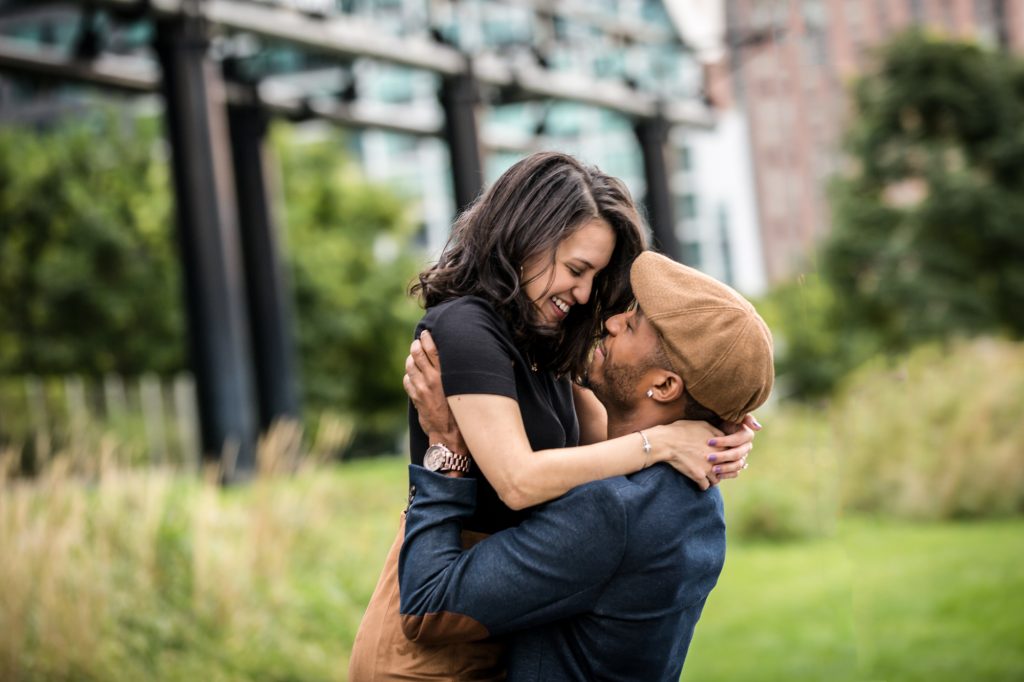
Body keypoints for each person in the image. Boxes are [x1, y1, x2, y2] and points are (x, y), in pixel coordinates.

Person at [347, 153, 756, 680]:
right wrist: (664, 443)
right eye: (576, 270)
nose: (584, 294)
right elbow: (518, 481)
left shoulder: (544, 341)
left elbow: (611, 436)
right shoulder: (467, 329)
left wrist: (719, 423)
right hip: (434, 636)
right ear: (527, 237)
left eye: (595, 276)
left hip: (503, 608)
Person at [397, 251, 774, 680]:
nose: (611, 323)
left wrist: (446, 450)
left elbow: (428, 606)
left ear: (665, 385)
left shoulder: (613, 512)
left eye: (631, 325)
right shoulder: (696, 499)